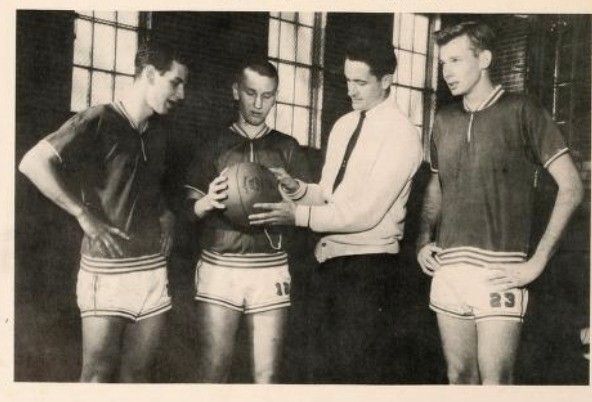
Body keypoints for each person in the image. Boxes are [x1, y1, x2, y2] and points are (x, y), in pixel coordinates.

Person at [415, 21, 584, 384]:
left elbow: (572, 187)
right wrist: (423, 240)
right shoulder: (443, 120)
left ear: (486, 59)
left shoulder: (523, 110)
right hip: (449, 267)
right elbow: (437, 185)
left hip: (500, 269)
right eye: (443, 63)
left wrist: (537, 261)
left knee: (496, 382)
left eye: (456, 61)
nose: (447, 72)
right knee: (459, 377)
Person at [249, 38, 423, 383]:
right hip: (327, 265)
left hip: (370, 273)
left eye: (361, 82)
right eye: (347, 80)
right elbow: (330, 196)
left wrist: (296, 215)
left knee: (355, 374)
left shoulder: (402, 135)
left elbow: (364, 214)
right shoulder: (344, 125)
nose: (351, 90)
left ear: (387, 80)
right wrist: (297, 189)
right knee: (320, 372)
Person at [18, 43, 189, 382]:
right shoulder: (98, 119)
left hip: (152, 271)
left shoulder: (159, 132)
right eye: (175, 82)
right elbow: (32, 162)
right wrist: (81, 214)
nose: (182, 94)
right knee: (96, 377)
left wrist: (166, 213)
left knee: (137, 379)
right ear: (150, 75)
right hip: (106, 271)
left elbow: (141, 186)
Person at [184, 58, 310, 383]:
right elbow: (188, 208)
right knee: (214, 371)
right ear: (235, 91)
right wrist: (208, 202)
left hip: (270, 268)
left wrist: (293, 194)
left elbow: (310, 208)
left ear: (276, 96)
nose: (258, 103)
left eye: (268, 95)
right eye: (251, 93)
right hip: (220, 265)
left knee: (266, 377)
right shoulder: (213, 145)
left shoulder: (288, 148)